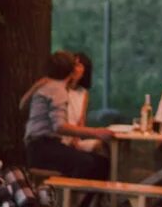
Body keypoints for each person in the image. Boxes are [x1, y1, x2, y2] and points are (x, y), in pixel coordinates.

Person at [24, 51, 115, 180]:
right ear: (70, 70)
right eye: (76, 64)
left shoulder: (57, 87)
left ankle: (80, 199)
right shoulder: (57, 89)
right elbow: (59, 126)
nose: (78, 67)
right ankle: (69, 197)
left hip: (45, 146)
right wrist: (96, 132)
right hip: (42, 148)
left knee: (101, 163)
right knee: (88, 163)